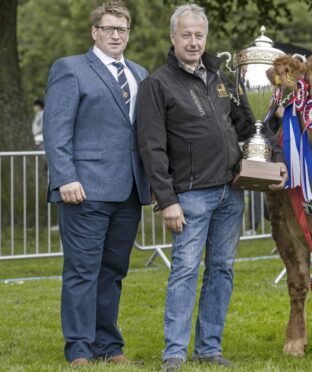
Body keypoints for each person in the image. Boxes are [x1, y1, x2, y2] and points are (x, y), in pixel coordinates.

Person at [136, 4, 287, 371]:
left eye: (198, 35)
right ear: (173, 38)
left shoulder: (223, 77)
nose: (192, 41)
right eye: (185, 35)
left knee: (221, 270)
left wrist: (275, 153)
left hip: (229, 192)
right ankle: (174, 353)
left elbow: (248, 124)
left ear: (206, 38)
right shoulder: (157, 84)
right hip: (189, 195)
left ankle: (208, 348)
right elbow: (151, 147)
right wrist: (166, 200)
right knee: (185, 271)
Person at [43, 0, 150, 367]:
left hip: (129, 190)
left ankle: (108, 345)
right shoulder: (70, 69)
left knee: (113, 272)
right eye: (109, 29)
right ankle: (79, 349)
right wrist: (65, 178)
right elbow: (55, 129)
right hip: (83, 189)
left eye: (122, 29)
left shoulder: (139, 72)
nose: (116, 35)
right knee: (82, 271)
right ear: (95, 32)